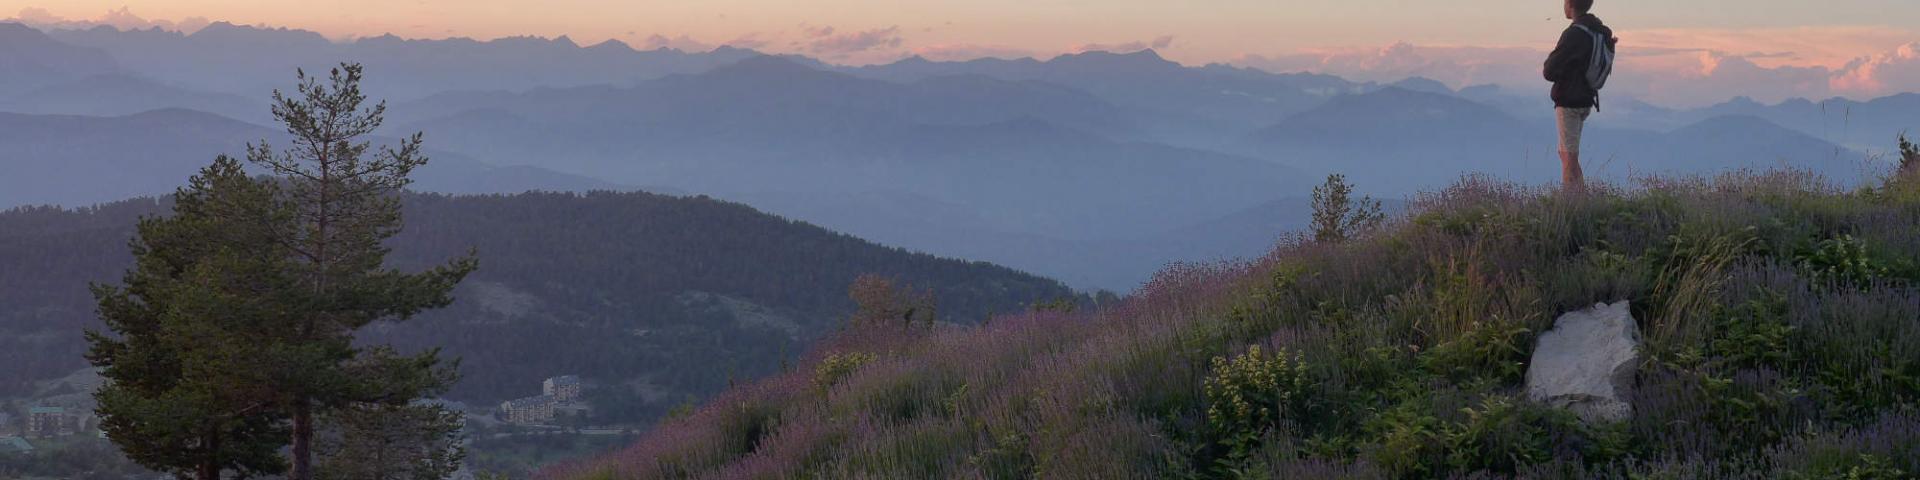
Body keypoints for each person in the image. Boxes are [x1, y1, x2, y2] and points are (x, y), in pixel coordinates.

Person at [1544, 0, 1616, 191]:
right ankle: (1579, 198)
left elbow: (1549, 71)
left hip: (1569, 100)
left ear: (1570, 4)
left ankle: (1572, 204)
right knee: (1567, 154)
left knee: (1568, 157)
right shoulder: (1598, 30)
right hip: (1586, 98)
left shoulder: (1574, 33)